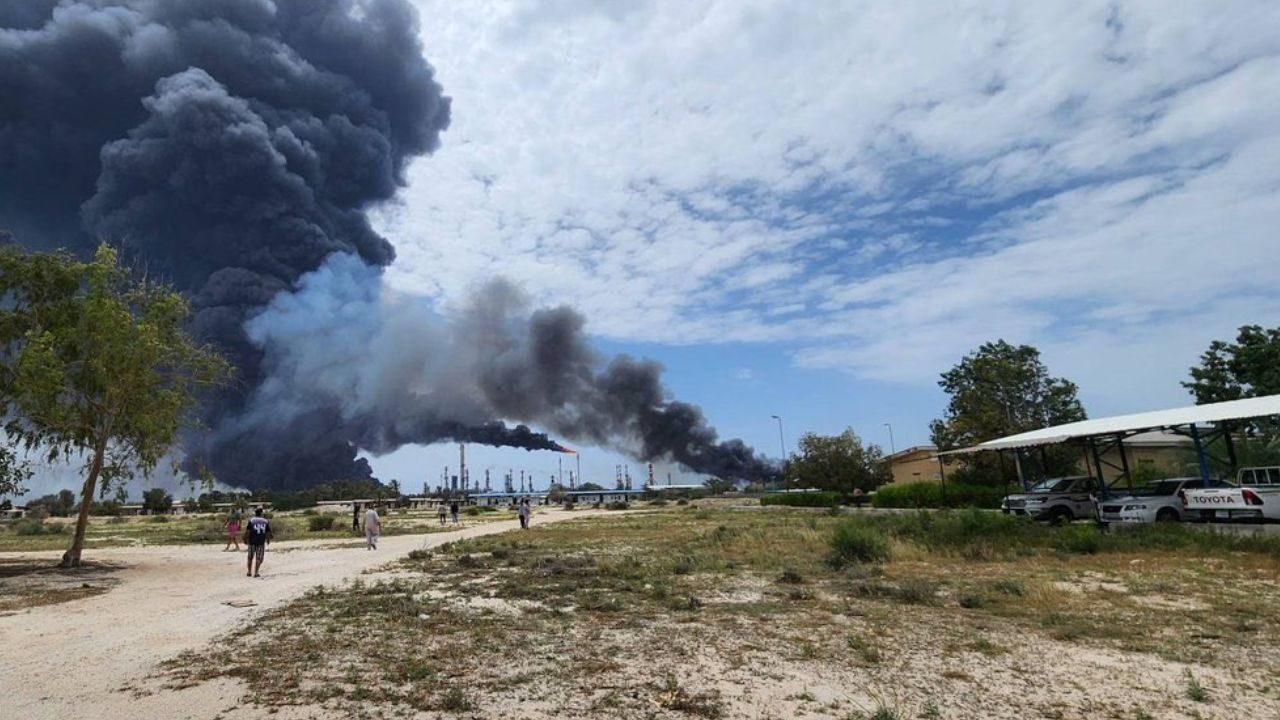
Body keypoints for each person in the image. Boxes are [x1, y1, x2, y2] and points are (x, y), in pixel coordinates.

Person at [244, 507, 273, 578]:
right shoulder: (265, 521)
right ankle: (256, 572)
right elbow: (268, 532)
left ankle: (249, 571)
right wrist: (268, 539)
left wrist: (245, 539)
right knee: (259, 558)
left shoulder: (251, 520)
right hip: (261, 541)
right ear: (261, 513)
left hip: (252, 541)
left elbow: (248, 531)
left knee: (250, 557)